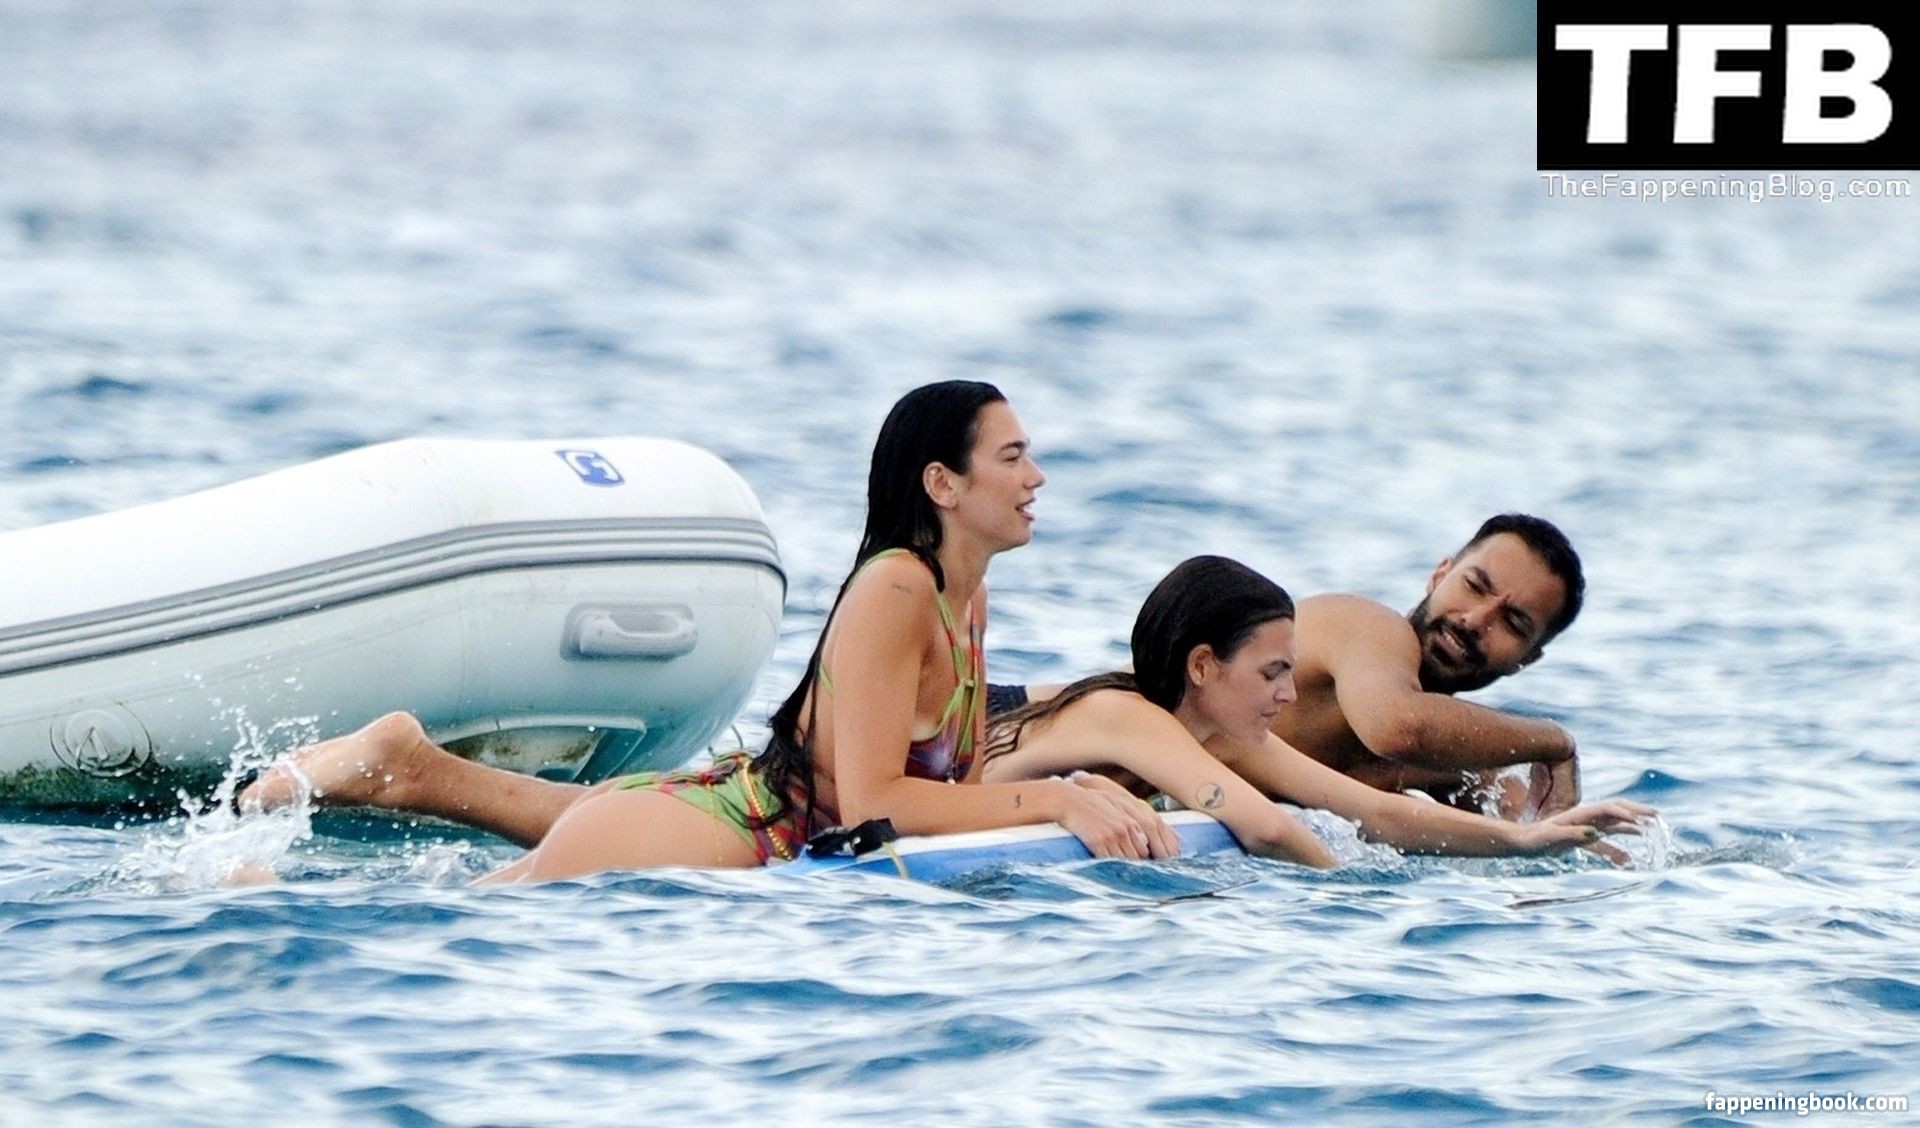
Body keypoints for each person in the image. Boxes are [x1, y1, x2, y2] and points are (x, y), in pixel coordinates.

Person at [238, 381, 1174, 881]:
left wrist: (1080, 788)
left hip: (739, 812)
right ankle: (253, 897)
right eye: (1013, 457)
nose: (1036, 477)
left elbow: (940, 795)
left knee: (522, 849)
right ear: (943, 484)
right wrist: (1054, 801)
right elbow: (872, 804)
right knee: (464, 915)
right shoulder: (898, 586)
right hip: (719, 833)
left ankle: (409, 765)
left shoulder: (967, 600)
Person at [978, 556, 1650, 867]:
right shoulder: (1128, 715)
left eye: (1514, 621)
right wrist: (1344, 890)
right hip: (972, 741)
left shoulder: (1224, 735)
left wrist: (1530, 841)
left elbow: (1376, 811)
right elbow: (1268, 829)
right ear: (1204, 667)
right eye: (1273, 673)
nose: (1291, 693)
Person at [988, 515, 1595, 818]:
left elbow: (1533, 831)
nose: (1474, 619)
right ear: (1441, 574)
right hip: (1006, 728)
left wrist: (1575, 844)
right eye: (1474, 585)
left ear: (1529, 658)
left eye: (1513, 622)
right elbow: (1396, 726)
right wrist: (1554, 742)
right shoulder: (1370, 630)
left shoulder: (1452, 756)